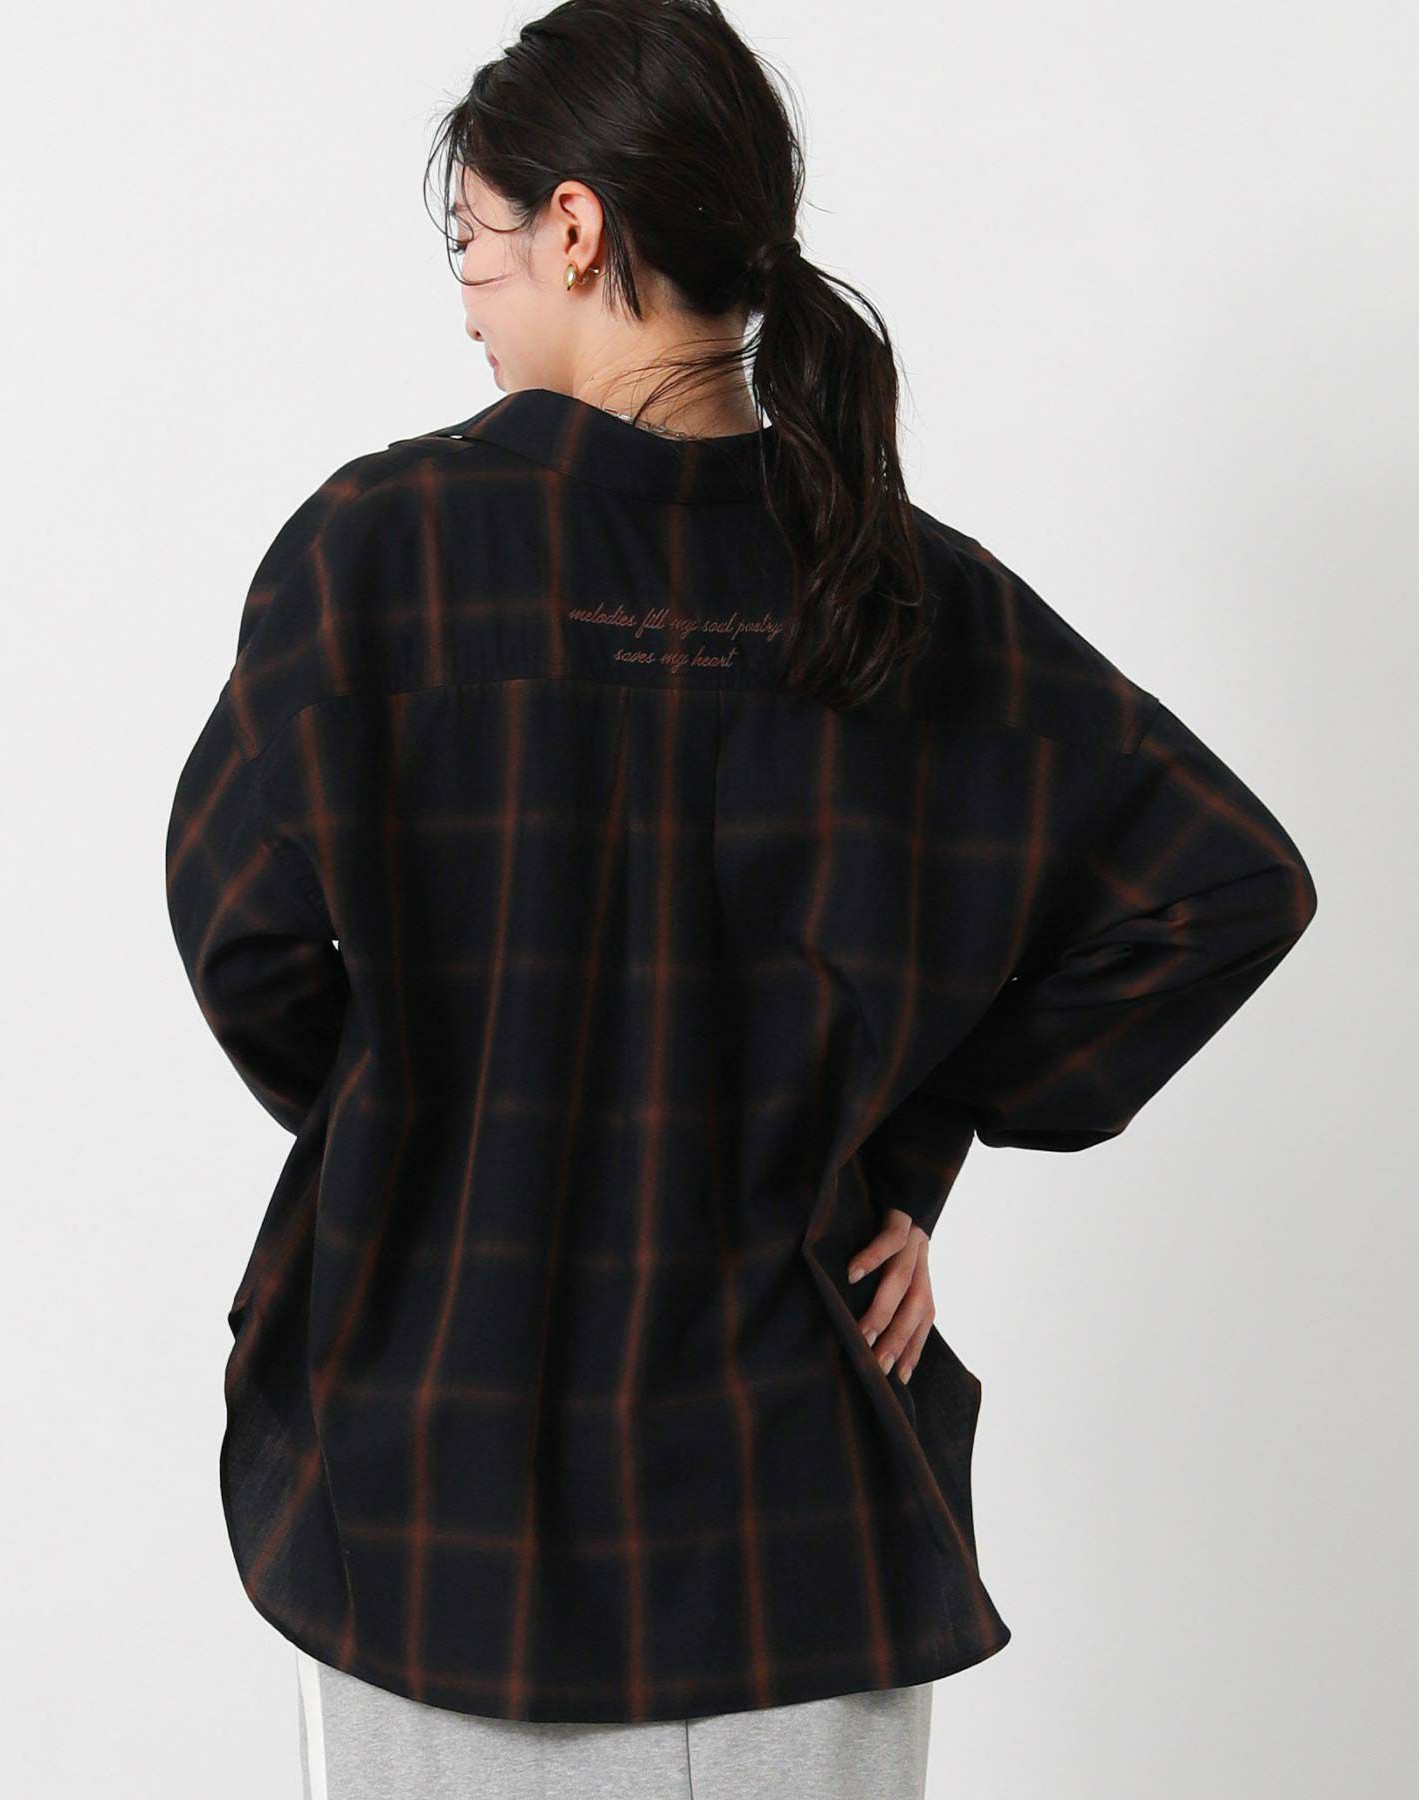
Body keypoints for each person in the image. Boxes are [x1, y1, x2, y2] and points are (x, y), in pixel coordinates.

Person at [163, 2, 1318, 1795]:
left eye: (470, 241)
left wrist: (436, 1130)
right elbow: (1221, 884)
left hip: (428, 1505)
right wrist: (915, 1142)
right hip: (798, 1517)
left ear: (574, 227)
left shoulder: (377, 554)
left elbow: (242, 939)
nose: (464, 297)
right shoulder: (900, 587)